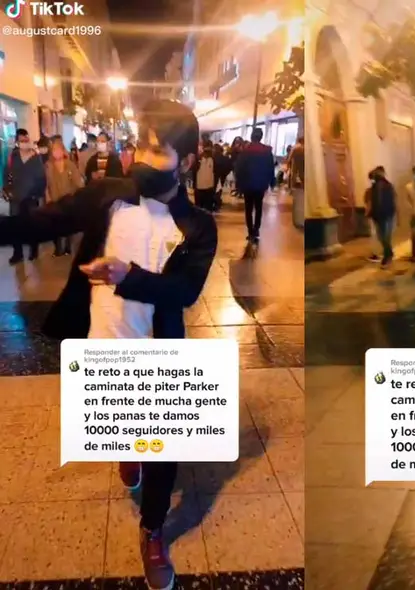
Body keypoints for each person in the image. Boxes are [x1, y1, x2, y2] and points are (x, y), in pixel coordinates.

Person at [0, 99, 216, 590]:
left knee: (166, 447)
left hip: (161, 349)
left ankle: (153, 529)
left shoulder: (198, 226)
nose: (141, 157)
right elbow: (42, 223)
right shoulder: (109, 196)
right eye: (140, 144)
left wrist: (127, 276)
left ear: (186, 160)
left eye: (157, 150)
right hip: (103, 340)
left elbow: (185, 291)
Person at [3, 129, 46, 264]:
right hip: (16, 198)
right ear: (17, 142)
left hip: (31, 198)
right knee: (15, 226)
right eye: (21, 141)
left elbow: (42, 179)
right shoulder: (12, 158)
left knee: (31, 225)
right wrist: (6, 190)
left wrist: (37, 194)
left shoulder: (35, 158)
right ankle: (18, 254)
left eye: (26, 140)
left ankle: (34, 251)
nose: (23, 143)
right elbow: (6, 175)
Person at [233, 128, 274, 244]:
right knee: (259, 207)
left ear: (251, 137)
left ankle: (250, 231)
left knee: (248, 208)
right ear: (261, 137)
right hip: (261, 184)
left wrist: (239, 184)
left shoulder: (245, 151)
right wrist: (271, 183)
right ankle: (257, 229)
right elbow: (271, 168)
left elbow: (238, 169)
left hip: (247, 184)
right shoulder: (267, 151)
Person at [44, 136, 83, 256]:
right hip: (54, 200)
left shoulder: (70, 165)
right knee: (55, 225)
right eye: (54, 150)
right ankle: (58, 248)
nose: (57, 152)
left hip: (68, 199)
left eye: (59, 149)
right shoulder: (48, 166)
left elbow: (78, 182)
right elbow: (45, 184)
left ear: (63, 150)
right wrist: (47, 198)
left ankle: (67, 247)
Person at [365, 166, 396, 266]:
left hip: (380, 215)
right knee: (384, 236)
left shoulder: (377, 187)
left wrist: (368, 213)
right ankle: (388, 254)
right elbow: (394, 199)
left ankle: (388, 255)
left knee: (382, 236)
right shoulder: (388, 185)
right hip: (387, 213)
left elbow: (372, 202)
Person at [194, 140, 217, 211]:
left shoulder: (199, 158)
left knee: (199, 208)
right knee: (207, 208)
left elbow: (194, 171)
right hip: (208, 187)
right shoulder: (213, 159)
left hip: (200, 187)